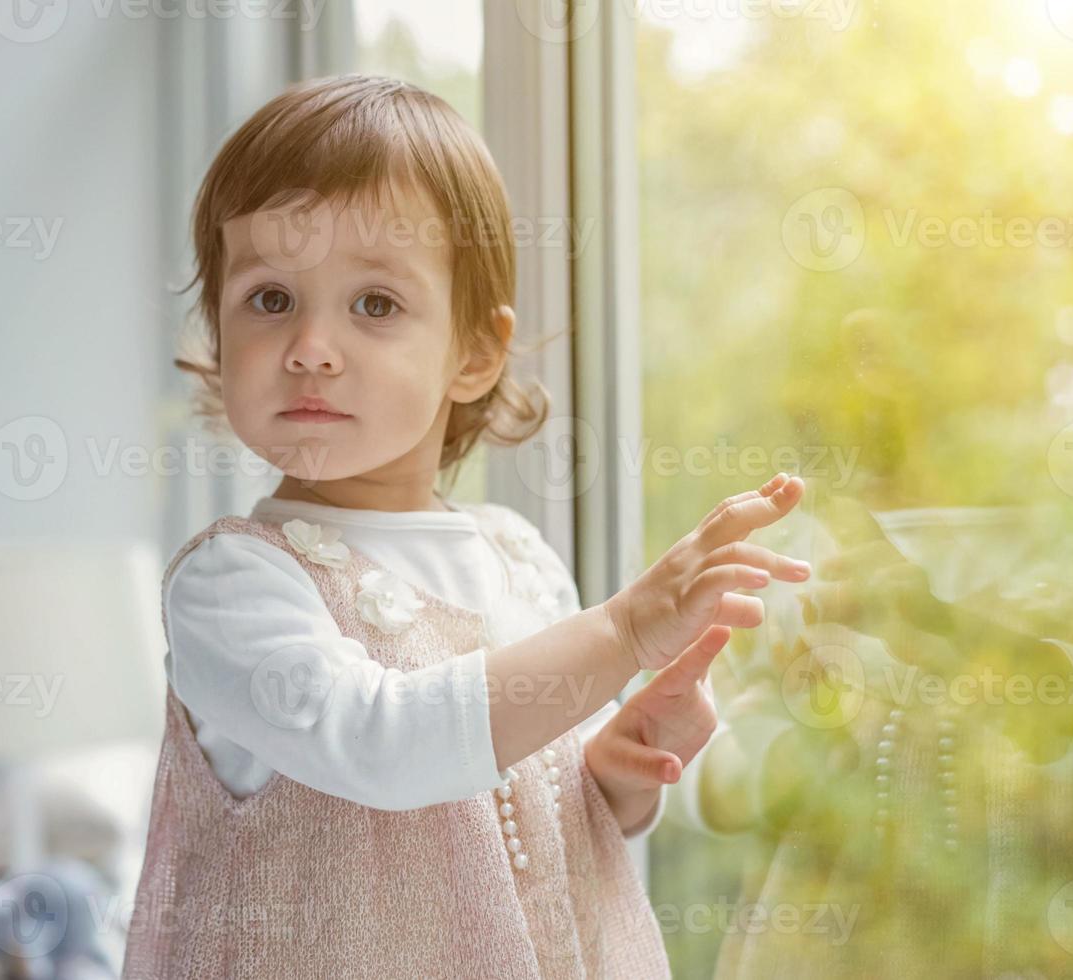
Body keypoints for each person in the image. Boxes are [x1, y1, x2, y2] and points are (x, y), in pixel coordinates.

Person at [120, 73, 811, 980]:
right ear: (218, 332)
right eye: (270, 298)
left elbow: (541, 820)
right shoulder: (231, 585)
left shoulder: (517, 558)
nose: (311, 346)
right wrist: (623, 630)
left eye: (374, 304)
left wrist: (621, 766)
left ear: (475, 353)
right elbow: (385, 744)